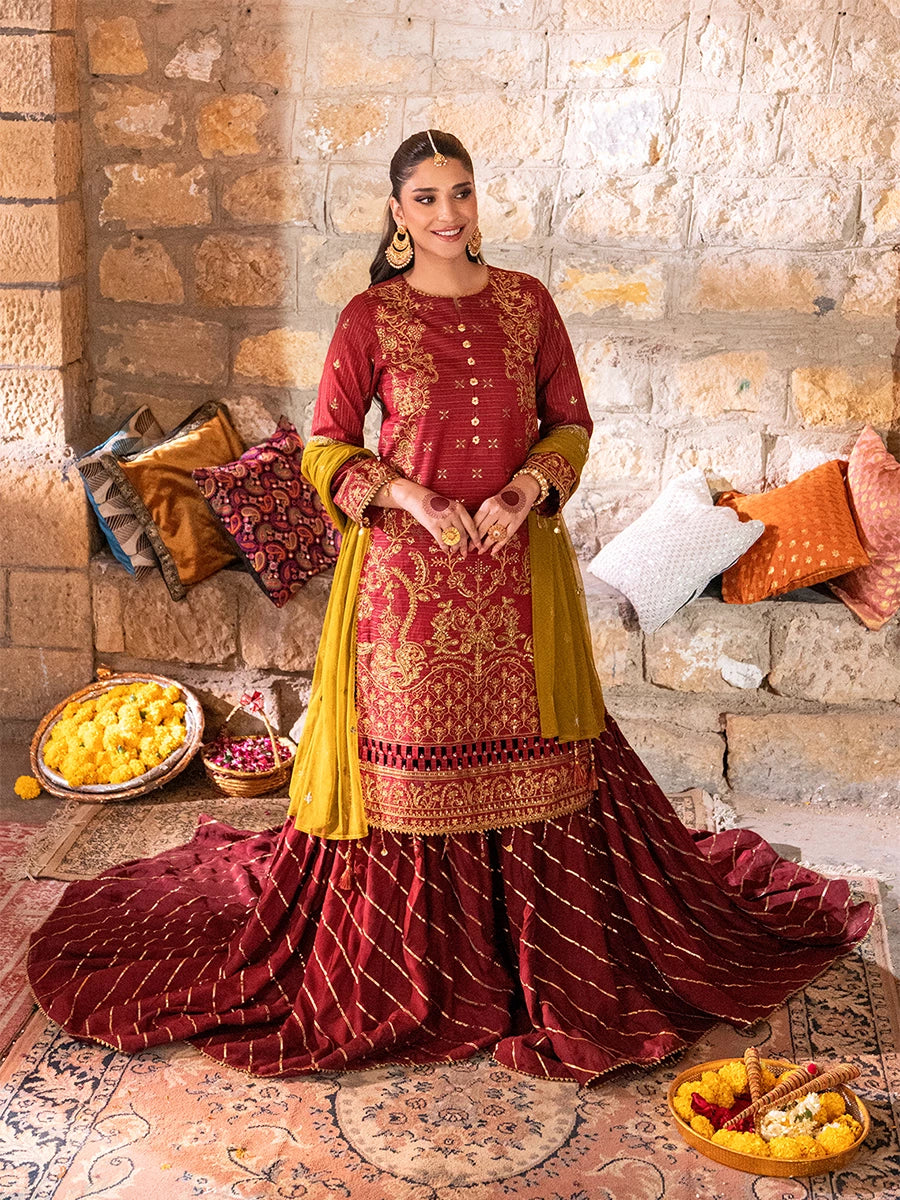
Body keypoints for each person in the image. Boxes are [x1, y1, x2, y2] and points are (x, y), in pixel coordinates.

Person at [28, 130, 872, 1084]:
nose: (447, 214)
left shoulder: (528, 303)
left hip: (518, 575)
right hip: (406, 587)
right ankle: (424, 972)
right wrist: (409, 497)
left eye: (460, 193)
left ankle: (544, 962)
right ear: (397, 212)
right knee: (410, 772)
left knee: (545, 762)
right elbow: (327, 444)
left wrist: (524, 490)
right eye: (425, 198)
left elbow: (571, 424)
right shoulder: (369, 317)